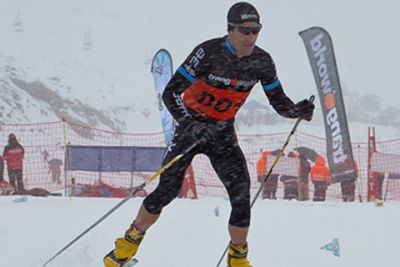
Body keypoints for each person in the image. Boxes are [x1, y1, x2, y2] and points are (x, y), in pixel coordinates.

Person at [104, 2, 314, 267]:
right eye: (245, 30)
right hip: (190, 130)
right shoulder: (208, 52)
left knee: (241, 194)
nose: (251, 36)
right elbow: (171, 92)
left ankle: (238, 261)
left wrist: (297, 110)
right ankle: (123, 250)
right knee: (166, 191)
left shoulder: (262, 61)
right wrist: (191, 125)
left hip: (222, 133)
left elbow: (278, 100)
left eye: (256, 31)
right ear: (231, 30)